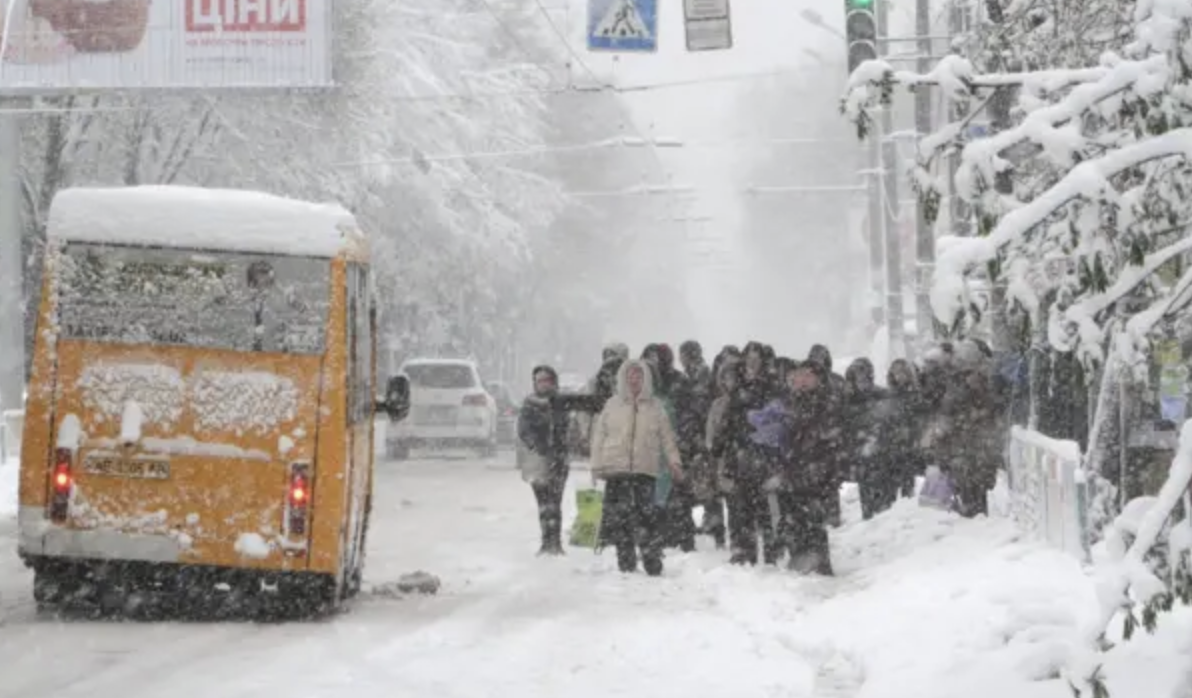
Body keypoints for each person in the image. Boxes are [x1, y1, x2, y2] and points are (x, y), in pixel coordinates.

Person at [590, 359, 684, 576]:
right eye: (630, 375)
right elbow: (599, 436)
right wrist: (596, 466)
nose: (634, 380)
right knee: (619, 518)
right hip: (616, 469)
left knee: (647, 517)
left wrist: (674, 462)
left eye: (638, 376)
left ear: (646, 379)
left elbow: (667, 438)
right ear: (623, 378)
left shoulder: (655, 406)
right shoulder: (612, 404)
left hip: (645, 470)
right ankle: (626, 562)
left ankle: (652, 560)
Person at [778, 360, 838, 575]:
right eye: (799, 375)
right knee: (794, 518)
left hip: (817, 469)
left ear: (818, 379)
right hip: (794, 468)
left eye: (808, 375)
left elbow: (830, 434)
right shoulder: (789, 402)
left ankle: (819, 564)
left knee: (814, 518)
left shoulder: (825, 401)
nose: (802, 380)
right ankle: (800, 560)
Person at [516, 366, 574, 556]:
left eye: (547, 380)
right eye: (539, 380)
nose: (543, 384)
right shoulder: (529, 404)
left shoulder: (561, 402)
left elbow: (568, 427)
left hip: (559, 459)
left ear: (553, 381)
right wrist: (536, 444)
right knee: (543, 503)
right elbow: (524, 430)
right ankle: (545, 541)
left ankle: (555, 542)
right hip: (538, 460)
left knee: (555, 502)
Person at [843, 358, 890, 520]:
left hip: (881, 451)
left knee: (883, 496)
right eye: (857, 377)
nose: (860, 381)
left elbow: (887, 419)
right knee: (866, 492)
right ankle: (870, 518)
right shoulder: (847, 399)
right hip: (859, 452)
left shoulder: (881, 394)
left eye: (863, 376)